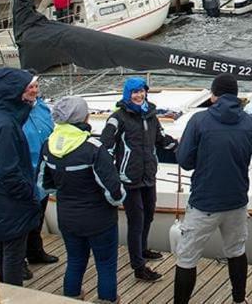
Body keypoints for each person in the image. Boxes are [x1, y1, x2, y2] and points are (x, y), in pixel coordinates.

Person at [173, 73, 252, 304]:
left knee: (186, 258)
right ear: (236, 95)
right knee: (236, 251)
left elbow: (185, 161)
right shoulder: (251, 123)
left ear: (214, 95)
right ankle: (239, 300)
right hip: (236, 201)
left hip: (204, 202)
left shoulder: (198, 121)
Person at [41, 96, 125, 303]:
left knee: (75, 260)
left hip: (68, 217)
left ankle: (71, 298)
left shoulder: (48, 145)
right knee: (105, 264)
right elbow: (114, 191)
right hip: (99, 220)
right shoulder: (93, 148)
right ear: (83, 117)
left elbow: (45, 184)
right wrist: (119, 200)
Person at [100, 77, 178, 282]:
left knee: (149, 215)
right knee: (136, 221)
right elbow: (105, 147)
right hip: (128, 179)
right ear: (127, 94)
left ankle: (142, 250)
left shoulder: (151, 116)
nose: (139, 95)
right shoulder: (118, 118)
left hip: (148, 176)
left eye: (142, 91)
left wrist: (183, 147)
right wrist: (109, 177)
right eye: (135, 92)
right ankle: (138, 266)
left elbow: (162, 140)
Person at [0, 67, 41, 286]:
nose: (33, 91)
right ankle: (12, 295)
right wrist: (30, 194)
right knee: (13, 255)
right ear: (14, 91)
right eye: (27, 87)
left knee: (1, 248)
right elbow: (9, 172)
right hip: (11, 202)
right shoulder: (5, 125)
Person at [22, 92, 58, 273]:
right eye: (30, 87)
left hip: (42, 171)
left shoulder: (42, 107)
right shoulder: (14, 113)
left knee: (38, 216)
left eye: (36, 86)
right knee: (22, 219)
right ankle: (18, 261)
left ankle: (35, 251)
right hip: (24, 172)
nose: (35, 90)